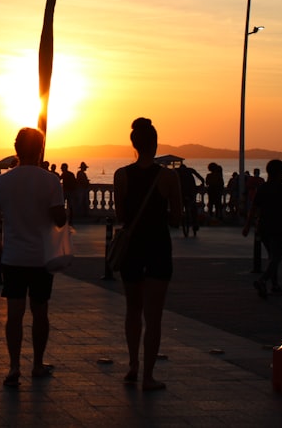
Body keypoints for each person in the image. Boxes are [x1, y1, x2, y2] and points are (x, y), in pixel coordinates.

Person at [0, 127, 67, 389]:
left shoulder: (2, 181)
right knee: (40, 312)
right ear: (40, 149)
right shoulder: (51, 180)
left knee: (15, 315)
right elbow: (59, 218)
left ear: (16, 148)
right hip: (41, 258)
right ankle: (38, 363)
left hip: (13, 257)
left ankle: (13, 366)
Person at [113, 117, 181, 392]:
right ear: (155, 144)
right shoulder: (168, 176)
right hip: (158, 248)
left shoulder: (121, 175)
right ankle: (149, 376)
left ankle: (132, 364)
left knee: (133, 309)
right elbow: (176, 217)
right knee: (154, 315)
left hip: (132, 249)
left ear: (134, 144)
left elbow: (120, 215)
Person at [242, 159, 282, 298]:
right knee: (276, 258)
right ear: (279, 173)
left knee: (272, 256)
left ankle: (275, 285)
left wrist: (247, 226)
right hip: (278, 227)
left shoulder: (263, 188)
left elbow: (254, 208)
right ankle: (263, 280)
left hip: (263, 227)